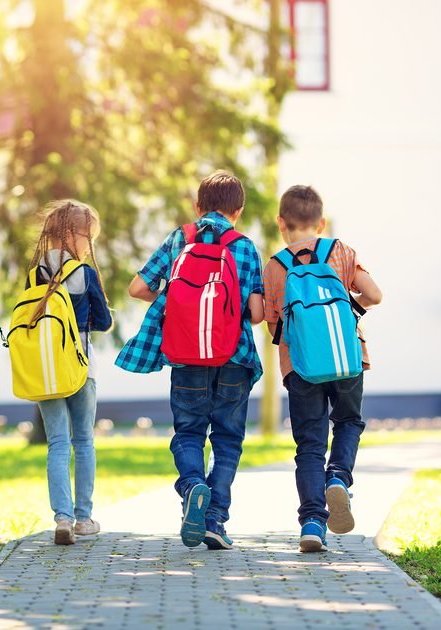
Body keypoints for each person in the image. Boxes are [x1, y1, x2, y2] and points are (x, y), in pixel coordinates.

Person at [123, 170, 264, 550]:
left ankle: (192, 486)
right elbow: (256, 313)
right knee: (228, 440)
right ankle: (216, 518)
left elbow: (137, 288)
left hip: (186, 355)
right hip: (234, 356)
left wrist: (180, 305)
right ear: (239, 210)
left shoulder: (178, 239)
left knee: (188, 432)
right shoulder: (245, 246)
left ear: (197, 206)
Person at [262, 184, 382, 552]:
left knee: (310, 445)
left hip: (300, 366)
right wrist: (350, 306)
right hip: (348, 359)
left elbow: (272, 324)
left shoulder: (275, 266)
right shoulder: (341, 252)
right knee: (348, 422)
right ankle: (340, 479)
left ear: (282, 223)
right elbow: (374, 295)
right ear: (322, 222)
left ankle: (313, 523)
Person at [28, 200, 113, 545]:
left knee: (57, 443)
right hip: (79, 366)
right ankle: (84, 518)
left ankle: (61, 518)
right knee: (84, 440)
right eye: (88, 236)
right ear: (76, 236)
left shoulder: (36, 274)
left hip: (45, 368)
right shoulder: (84, 273)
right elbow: (104, 322)